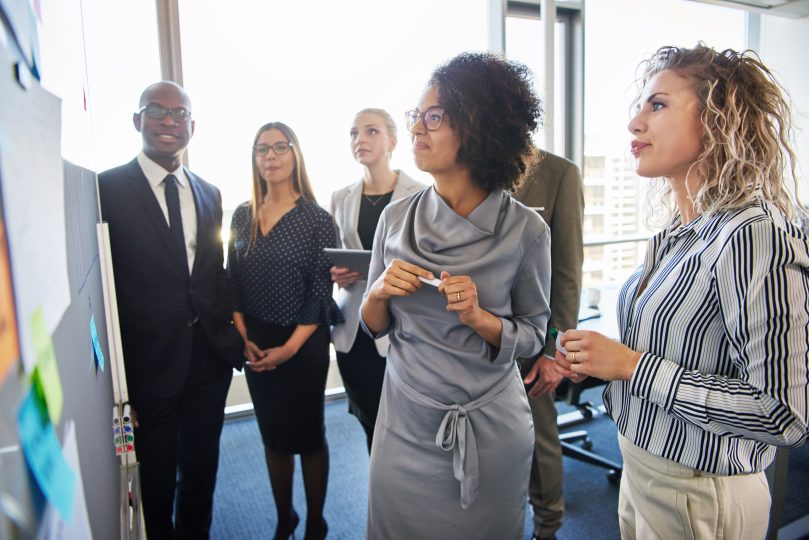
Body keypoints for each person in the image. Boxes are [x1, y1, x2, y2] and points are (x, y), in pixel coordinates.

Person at [555, 44, 809, 539]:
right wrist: (601, 359)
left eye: (658, 104)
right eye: (640, 105)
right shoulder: (679, 231)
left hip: (699, 495)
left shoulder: (753, 232)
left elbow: (785, 415)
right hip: (642, 472)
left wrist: (630, 367)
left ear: (717, 119)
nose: (634, 122)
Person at [360, 52, 551, 539]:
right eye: (416, 117)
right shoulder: (394, 219)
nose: (418, 130)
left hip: (489, 431)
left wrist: (480, 318)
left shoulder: (526, 229)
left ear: (478, 127)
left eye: (434, 117)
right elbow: (373, 324)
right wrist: (379, 292)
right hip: (403, 424)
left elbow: (533, 337)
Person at [98, 81, 244, 539]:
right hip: (149, 367)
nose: (168, 120)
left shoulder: (209, 192)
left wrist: (233, 336)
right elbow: (103, 292)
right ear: (137, 120)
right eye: (156, 110)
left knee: (201, 472)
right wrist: (116, 384)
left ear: (192, 128)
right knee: (158, 480)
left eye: (179, 115)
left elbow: (212, 276)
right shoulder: (105, 189)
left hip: (208, 361)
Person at [227, 122, 341, 540]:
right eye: (262, 149)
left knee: (309, 438)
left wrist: (289, 350)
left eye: (280, 147)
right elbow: (232, 281)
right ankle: (284, 518)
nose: (270, 157)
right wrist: (245, 339)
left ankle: (315, 521)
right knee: (273, 438)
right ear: (254, 158)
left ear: (295, 155)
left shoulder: (317, 219)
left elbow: (319, 291)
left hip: (303, 343)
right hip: (255, 343)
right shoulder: (243, 214)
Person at [329, 108, 425, 452]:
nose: (360, 140)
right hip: (355, 329)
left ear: (393, 141)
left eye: (371, 131)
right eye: (354, 133)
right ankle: (380, 499)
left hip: (404, 327)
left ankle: (403, 498)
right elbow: (339, 256)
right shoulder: (341, 197)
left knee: (404, 425)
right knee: (370, 421)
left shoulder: (422, 194)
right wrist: (337, 273)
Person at [515, 149, 584, 540]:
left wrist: (554, 352)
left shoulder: (558, 173)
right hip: (477, 339)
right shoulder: (468, 167)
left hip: (534, 345)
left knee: (540, 444)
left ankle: (547, 527)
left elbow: (567, 273)